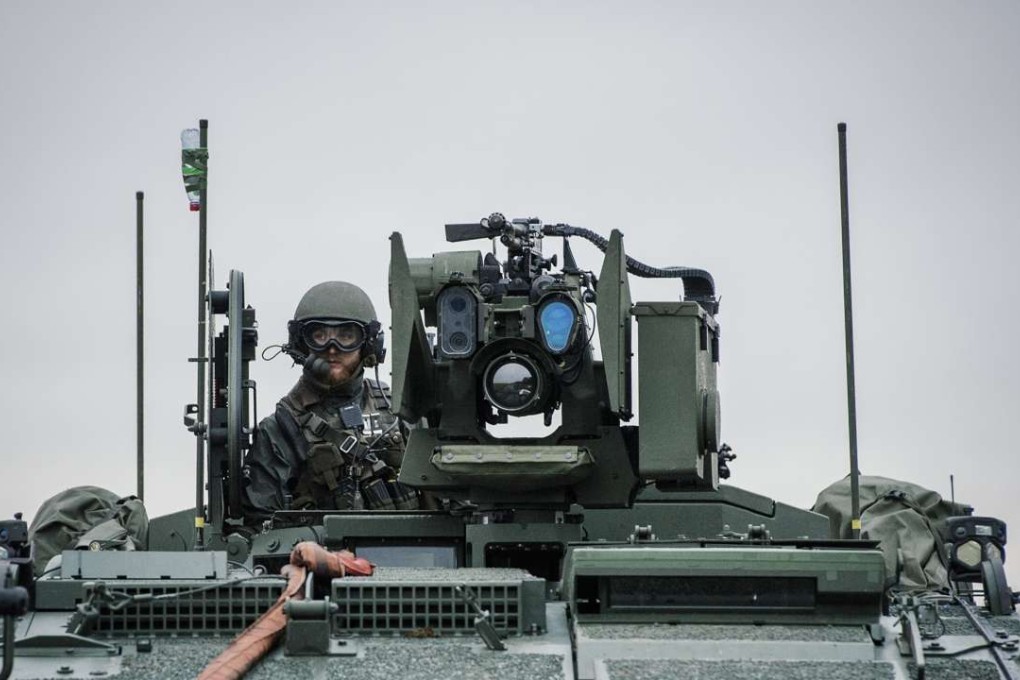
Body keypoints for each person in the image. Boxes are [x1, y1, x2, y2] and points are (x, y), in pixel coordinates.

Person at [241, 281, 419, 525]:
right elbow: (263, 520)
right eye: (319, 336)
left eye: (346, 336)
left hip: (411, 550)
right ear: (301, 344)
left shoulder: (398, 410)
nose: (332, 349)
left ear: (368, 343)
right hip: (323, 557)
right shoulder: (282, 426)